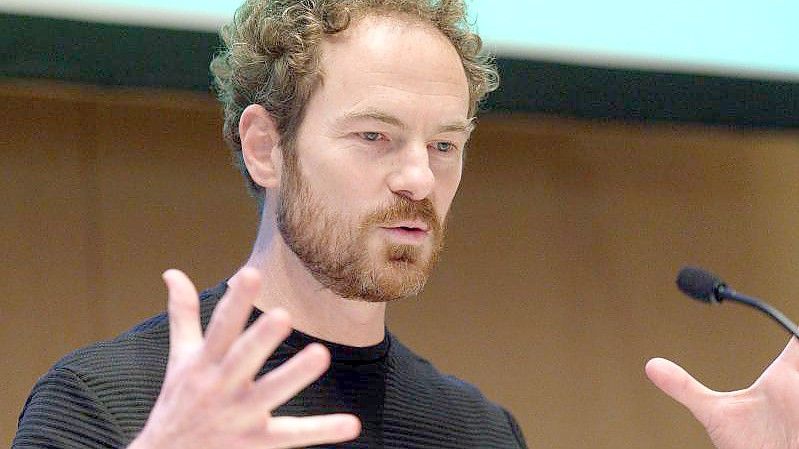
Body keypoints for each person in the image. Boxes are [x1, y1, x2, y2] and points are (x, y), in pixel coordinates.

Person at [11, 0, 799, 448]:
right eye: (374, 136)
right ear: (264, 146)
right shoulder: (108, 401)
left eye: (445, 144)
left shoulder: (476, 432)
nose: (420, 177)